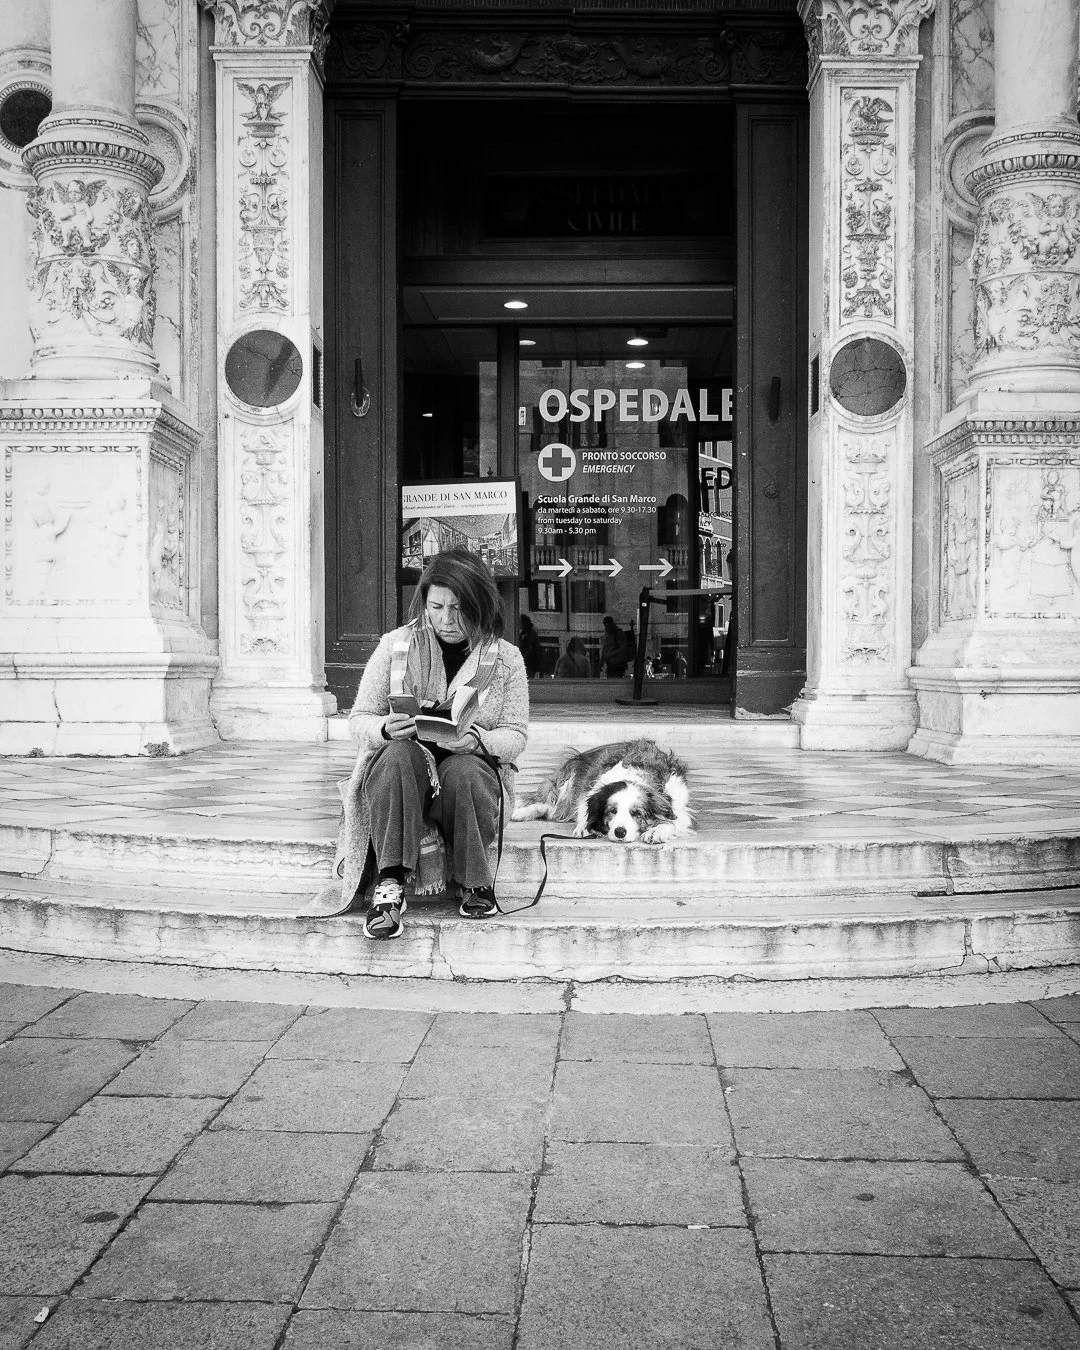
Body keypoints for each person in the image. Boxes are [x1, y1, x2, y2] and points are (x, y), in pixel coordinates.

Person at [335, 549, 528, 940]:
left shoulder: (506, 659)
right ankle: (389, 885)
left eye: (458, 608)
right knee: (398, 755)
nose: (446, 619)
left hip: (466, 779)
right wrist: (386, 730)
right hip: (403, 779)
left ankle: (475, 881)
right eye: (436, 606)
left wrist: (480, 741)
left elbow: (516, 734)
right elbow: (359, 720)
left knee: (465, 770)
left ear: (480, 604)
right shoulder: (395, 646)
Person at [518, 613, 544, 679]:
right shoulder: (526, 633)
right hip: (529, 663)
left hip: (529, 664)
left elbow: (530, 649)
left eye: (520, 622)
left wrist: (522, 659)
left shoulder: (529, 634)